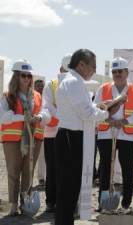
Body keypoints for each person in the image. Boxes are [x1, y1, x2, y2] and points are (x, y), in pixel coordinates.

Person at [55, 49, 110, 225]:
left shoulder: (74, 82)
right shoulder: (73, 83)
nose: (94, 70)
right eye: (92, 66)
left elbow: (86, 109)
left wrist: (99, 108)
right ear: (81, 65)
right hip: (71, 137)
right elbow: (86, 113)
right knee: (68, 188)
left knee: (70, 189)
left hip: (74, 136)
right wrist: (104, 113)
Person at [94, 57, 133, 210]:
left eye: (120, 71)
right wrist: (109, 120)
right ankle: (103, 203)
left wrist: (124, 121)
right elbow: (96, 109)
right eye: (114, 72)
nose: (117, 74)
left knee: (127, 169)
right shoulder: (103, 89)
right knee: (105, 169)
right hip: (106, 133)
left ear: (127, 72)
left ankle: (126, 203)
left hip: (127, 134)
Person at [0, 60, 47, 216]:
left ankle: (25, 202)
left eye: (29, 75)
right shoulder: (8, 96)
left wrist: (39, 116)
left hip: (34, 139)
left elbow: (47, 113)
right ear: (16, 77)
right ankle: (13, 204)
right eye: (23, 75)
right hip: (13, 140)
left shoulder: (37, 96)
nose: (26, 78)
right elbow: (3, 117)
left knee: (29, 171)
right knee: (13, 172)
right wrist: (23, 118)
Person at [40, 54, 71, 213]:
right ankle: (50, 201)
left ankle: (63, 201)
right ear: (60, 69)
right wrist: (65, 115)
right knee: (52, 169)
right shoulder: (51, 85)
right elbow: (47, 107)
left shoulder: (78, 85)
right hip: (52, 134)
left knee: (66, 169)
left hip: (70, 134)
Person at [34, 79, 46, 186]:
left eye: (42, 86)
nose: (40, 88)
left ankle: (41, 178)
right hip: (31, 132)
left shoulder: (46, 99)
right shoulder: (31, 98)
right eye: (38, 86)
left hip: (43, 132)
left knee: (42, 156)